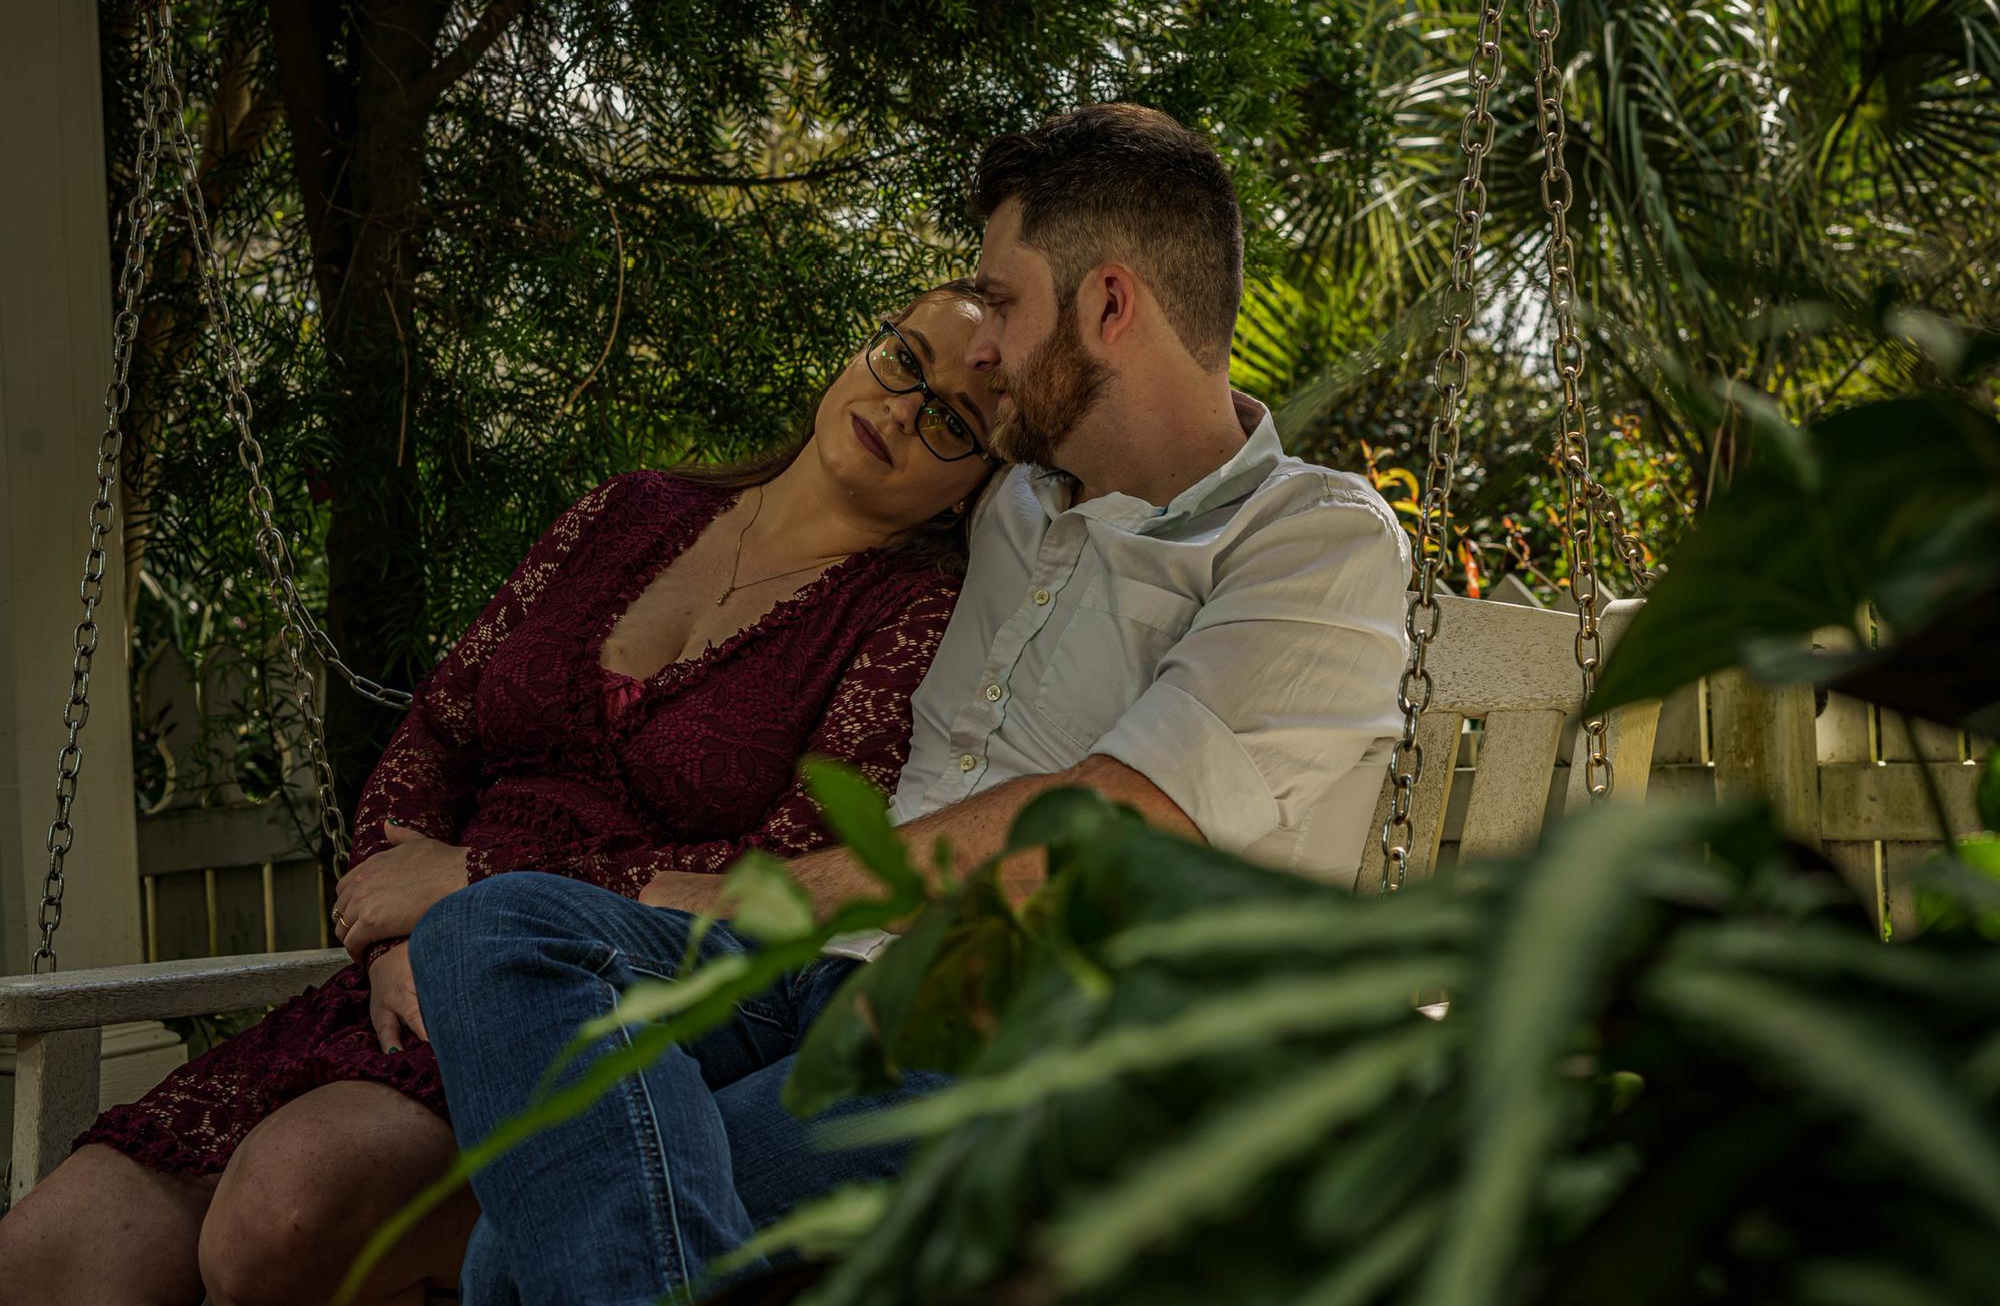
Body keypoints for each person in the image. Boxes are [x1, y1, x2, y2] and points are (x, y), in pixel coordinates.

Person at [410, 102, 1411, 1306]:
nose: (983, 346)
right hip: (827, 979)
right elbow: (855, 470)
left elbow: (1107, 829)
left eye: (1001, 301)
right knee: (496, 930)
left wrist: (760, 896)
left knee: (514, 1259)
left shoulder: (1310, 540)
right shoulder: (1011, 499)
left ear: (1109, 305)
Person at [0, 282, 1002, 1306]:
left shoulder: (915, 614)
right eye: (903, 360)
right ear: (861, 349)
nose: (902, 411)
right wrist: (392, 942)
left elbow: (784, 867)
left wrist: (474, 882)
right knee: (47, 1253)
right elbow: (434, 735)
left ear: (973, 488)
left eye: (952, 422)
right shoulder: (632, 509)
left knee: (282, 1213)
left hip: (593, 997)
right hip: (404, 971)